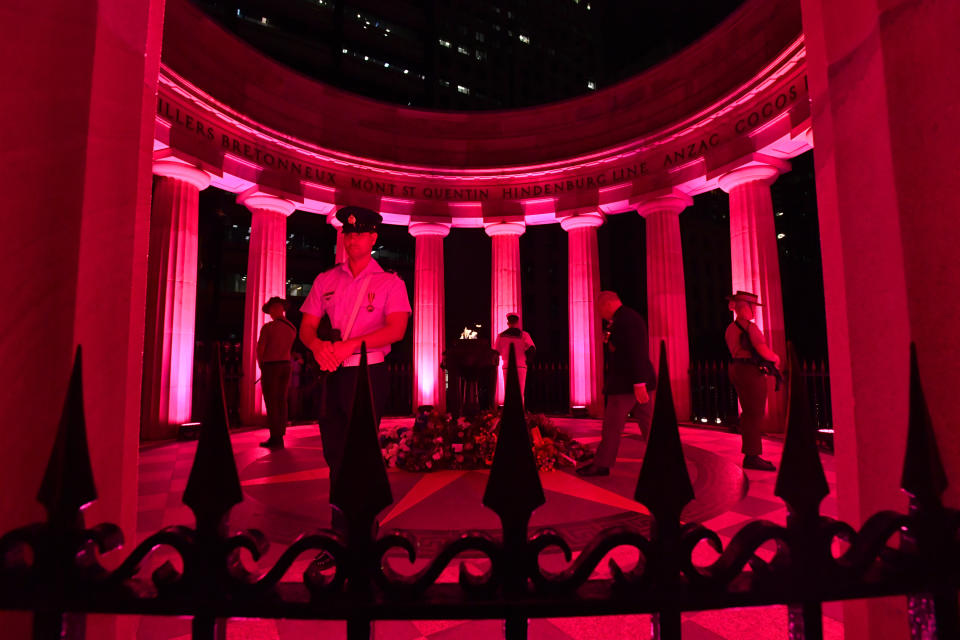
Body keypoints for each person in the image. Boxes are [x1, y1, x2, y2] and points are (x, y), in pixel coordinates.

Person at [299, 206, 411, 544]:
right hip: (333, 374)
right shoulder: (326, 279)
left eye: (359, 233)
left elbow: (396, 330)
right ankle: (339, 529)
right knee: (333, 453)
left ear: (373, 237)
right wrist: (316, 346)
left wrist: (349, 346)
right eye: (347, 233)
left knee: (360, 453)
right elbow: (306, 325)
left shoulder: (389, 282)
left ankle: (364, 529)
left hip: (368, 373)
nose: (352, 239)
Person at [578, 291, 656, 477]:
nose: (599, 313)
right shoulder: (624, 319)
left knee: (612, 426)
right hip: (636, 382)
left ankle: (602, 464)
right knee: (649, 424)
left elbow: (636, 351)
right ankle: (661, 460)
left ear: (607, 304)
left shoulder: (625, 320)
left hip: (627, 385)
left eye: (599, 309)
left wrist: (638, 382)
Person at [725, 290, 781, 471]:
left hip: (736, 368)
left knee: (749, 412)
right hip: (749, 370)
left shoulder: (731, 328)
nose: (754, 312)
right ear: (745, 308)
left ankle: (751, 450)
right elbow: (763, 350)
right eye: (752, 307)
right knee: (754, 413)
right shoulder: (750, 328)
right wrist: (776, 358)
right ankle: (752, 455)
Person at [257, 297, 298, 449]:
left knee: (271, 402)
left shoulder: (268, 328)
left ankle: (275, 437)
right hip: (286, 365)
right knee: (281, 401)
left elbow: (260, 350)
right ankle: (280, 433)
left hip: (271, 366)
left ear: (275, 309)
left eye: (270, 310)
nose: (270, 314)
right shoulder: (292, 328)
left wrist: (262, 366)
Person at [493, 313, 536, 402]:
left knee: (508, 392)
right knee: (520, 392)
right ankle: (519, 414)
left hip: (507, 366)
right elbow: (532, 349)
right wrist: (528, 360)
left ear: (508, 323)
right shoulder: (524, 335)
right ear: (517, 322)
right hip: (521, 366)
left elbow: (496, 352)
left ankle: (509, 414)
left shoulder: (500, 336)